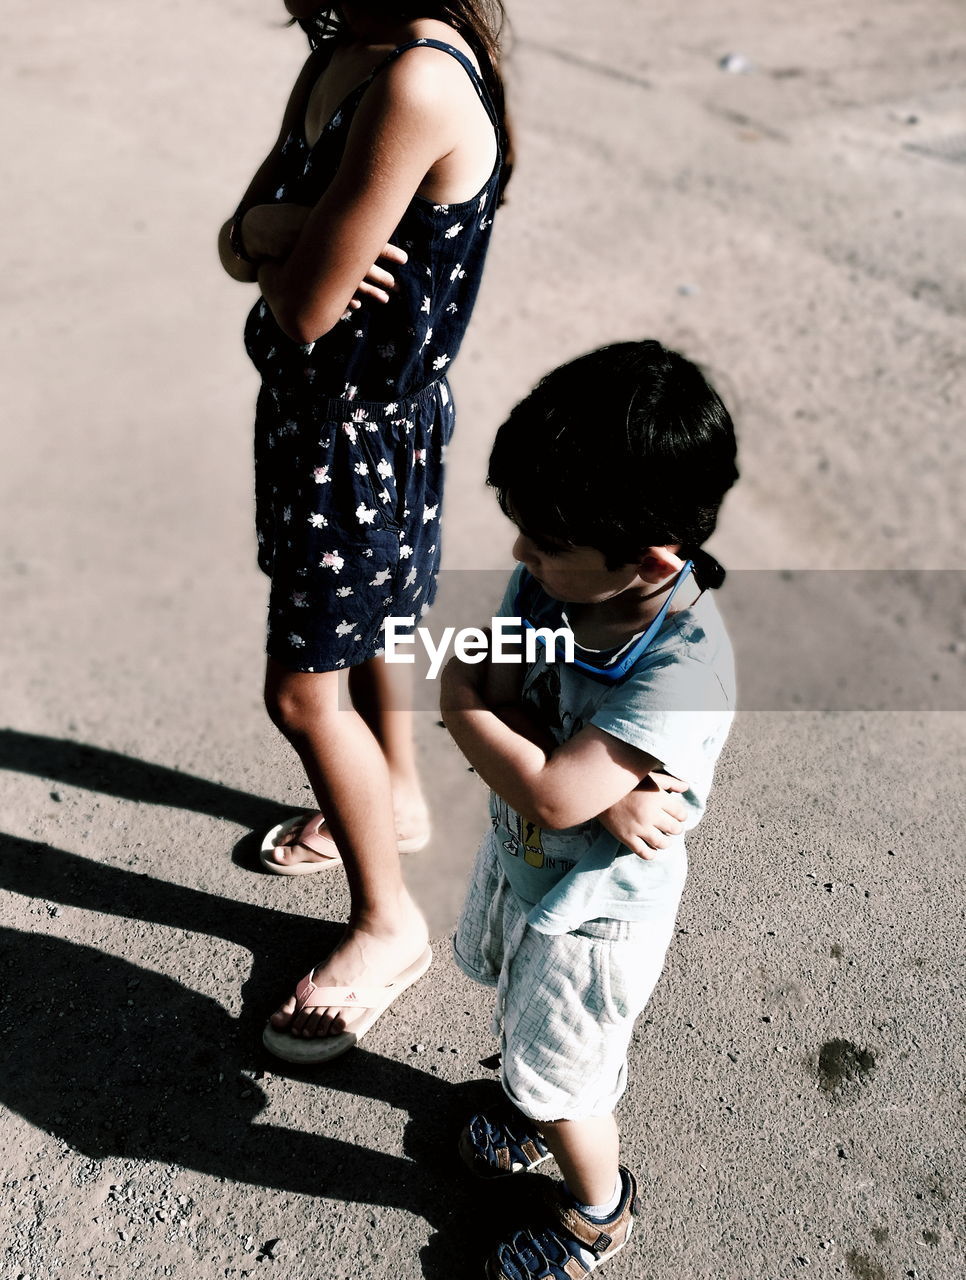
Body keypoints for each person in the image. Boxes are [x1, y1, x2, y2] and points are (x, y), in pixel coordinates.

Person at [217, 1, 510, 1063]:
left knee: (301, 690)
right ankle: (393, 800)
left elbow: (299, 307)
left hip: (352, 443)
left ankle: (389, 923)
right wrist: (271, 234)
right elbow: (241, 236)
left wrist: (272, 244)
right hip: (333, 426)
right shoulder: (345, 55)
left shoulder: (417, 81)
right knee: (382, 621)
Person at [440, 340, 739, 1277]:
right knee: (531, 1039)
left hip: (596, 922)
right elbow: (522, 692)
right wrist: (562, 775)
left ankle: (597, 1212)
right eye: (520, 526)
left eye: (544, 540)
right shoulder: (566, 576)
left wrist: (461, 704)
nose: (520, 554)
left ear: (652, 560)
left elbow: (547, 778)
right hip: (542, 865)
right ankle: (528, 1109)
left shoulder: (682, 670)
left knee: (569, 1075)